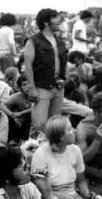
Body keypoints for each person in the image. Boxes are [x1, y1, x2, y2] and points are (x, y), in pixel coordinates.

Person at [31, 115, 99, 199]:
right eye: (70, 129)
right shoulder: (40, 154)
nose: (75, 131)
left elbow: (80, 181)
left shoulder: (75, 150)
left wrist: (92, 196)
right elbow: (41, 190)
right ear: (61, 137)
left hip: (72, 194)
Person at [24, 8, 67, 138]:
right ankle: (31, 153)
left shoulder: (59, 41)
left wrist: (65, 79)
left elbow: (64, 62)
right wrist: (31, 89)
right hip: (41, 88)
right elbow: (27, 66)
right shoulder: (33, 41)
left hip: (58, 88)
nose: (59, 20)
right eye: (55, 18)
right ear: (46, 22)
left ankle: (51, 154)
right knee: (39, 125)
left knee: (55, 127)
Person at [75, 93, 102, 185]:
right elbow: (81, 160)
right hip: (87, 166)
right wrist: (97, 140)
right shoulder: (83, 129)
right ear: (96, 112)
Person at [2, 74, 33, 145]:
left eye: (29, 84)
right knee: (8, 118)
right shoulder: (16, 97)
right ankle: (14, 139)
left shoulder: (37, 96)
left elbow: (35, 109)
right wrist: (11, 114)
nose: (27, 87)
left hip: (31, 124)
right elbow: (2, 105)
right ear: (20, 87)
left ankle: (24, 140)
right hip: (18, 124)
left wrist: (21, 113)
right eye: (24, 85)